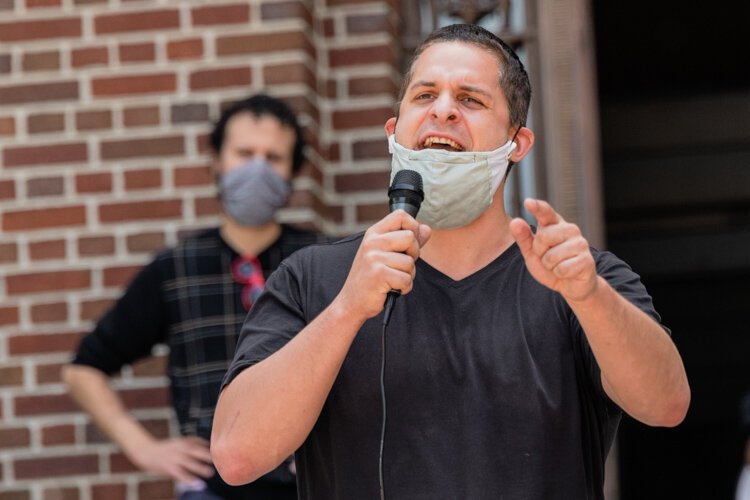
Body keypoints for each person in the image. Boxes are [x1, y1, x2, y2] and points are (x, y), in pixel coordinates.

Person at [210, 24, 691, 499]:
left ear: (517, 143)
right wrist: (346, 310)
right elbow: (237, 456)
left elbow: (666, 405)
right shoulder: (310, 279)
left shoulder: (582, 278)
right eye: (424, 95)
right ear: (393, 132)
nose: (443, 110)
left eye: (470, 99)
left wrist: (590, 298)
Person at [63, 94, 324, 499]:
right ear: (216, 161)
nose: (258, 168)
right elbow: (84, 370)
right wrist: (145, 448)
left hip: (314, 485)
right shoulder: (175, 269)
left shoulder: (321, 262)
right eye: (244, 153)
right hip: (213, 489)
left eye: (273, 157)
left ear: (292, 171)